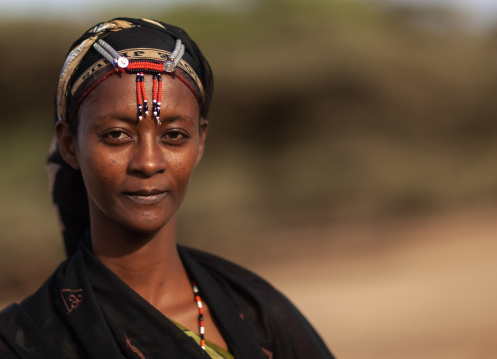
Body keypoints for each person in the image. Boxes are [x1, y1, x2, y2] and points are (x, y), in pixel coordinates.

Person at [0, 18, 334, 359]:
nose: (147, 163)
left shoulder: (259, 313)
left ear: (200, 141)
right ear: (70, 145)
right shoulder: (27, 341)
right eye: (117, 135)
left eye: (173, 135)